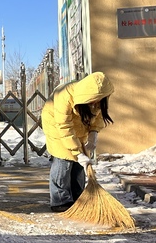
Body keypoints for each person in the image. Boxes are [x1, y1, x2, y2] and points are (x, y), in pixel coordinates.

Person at [41, 72, 114, 212]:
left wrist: (93, 133)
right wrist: (77, 152)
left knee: (79, 164)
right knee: (64, 160)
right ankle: (60, 200)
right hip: (56, 125)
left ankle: (78, 196)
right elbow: (64, 126)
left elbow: (98, 116)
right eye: (93, 101)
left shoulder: (100, 98)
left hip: (78, 125)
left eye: (98, 101)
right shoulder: (65, 95)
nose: (95, 104)